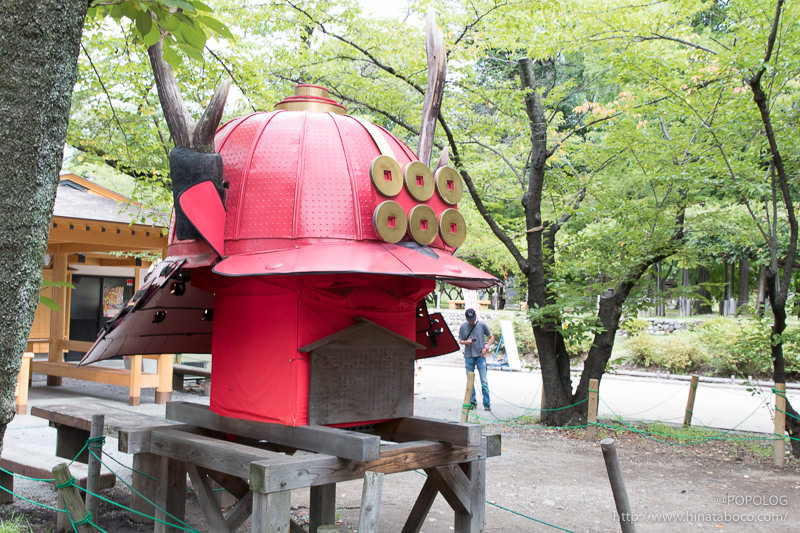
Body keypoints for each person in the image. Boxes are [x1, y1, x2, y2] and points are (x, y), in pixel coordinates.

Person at [458, 308, 494, 411]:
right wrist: (467, 342)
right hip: (469, 356)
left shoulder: (481, 325)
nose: (471, 321)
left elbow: (491, 337)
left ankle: (487, 404)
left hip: (480, 356)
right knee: (470, 381)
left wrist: (486, 348)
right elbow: (460, 340)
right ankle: (472, 403)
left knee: (484, 381)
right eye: (470, 320)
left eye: (473, 319)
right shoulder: (463, 326)